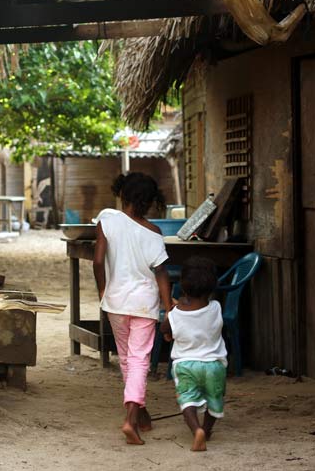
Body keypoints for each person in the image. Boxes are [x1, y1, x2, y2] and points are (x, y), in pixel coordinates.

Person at [93, 172, 173, 445]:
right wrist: (168, 307)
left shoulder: (107, 220)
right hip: (143, 303)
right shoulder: (154, 233)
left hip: (115, 301)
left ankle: (139, 411)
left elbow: (97, 260)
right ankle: (131, 418)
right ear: (151, 202)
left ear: (122, 195)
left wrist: (103, 290)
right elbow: (161, 273)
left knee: (127, 359)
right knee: (139, 360)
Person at [160, 256, 227, 452]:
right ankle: (206, 430)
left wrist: (170, 316)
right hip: (214, 365)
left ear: (182, 285)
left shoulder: (176, 314)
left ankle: (195, 430)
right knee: (215, 400)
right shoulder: (216, 308)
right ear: (212, 286)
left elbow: (165, 329)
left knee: (187, 400)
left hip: (185, 365)